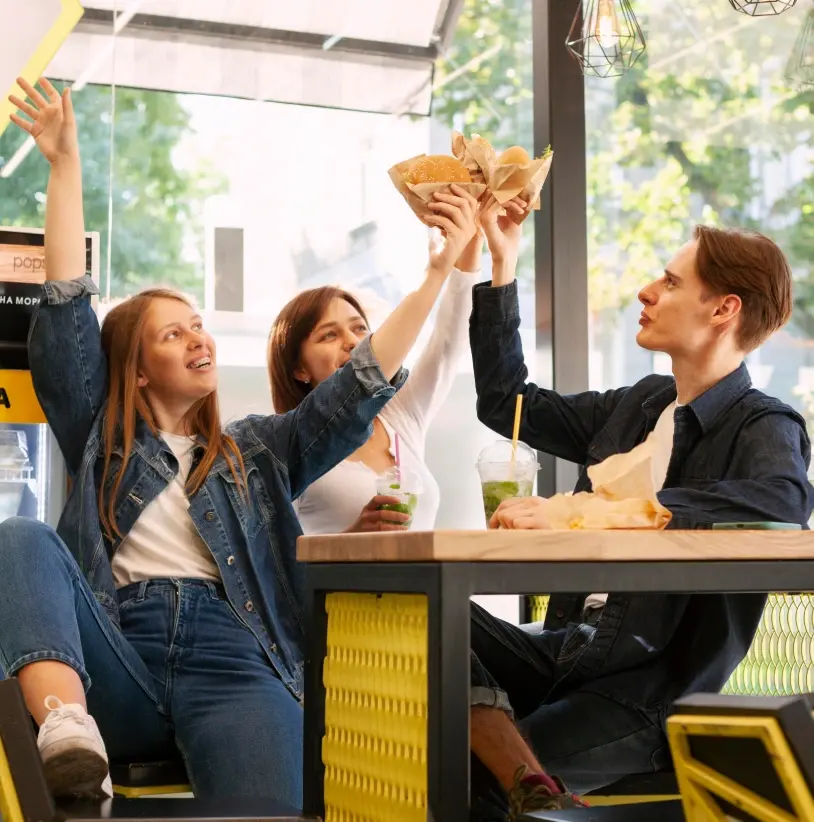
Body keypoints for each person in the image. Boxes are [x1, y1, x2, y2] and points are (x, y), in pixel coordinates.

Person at [0, 77, 478, 804]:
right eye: (172, 332)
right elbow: (67, 309)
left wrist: (441, 267)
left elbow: (361, 382)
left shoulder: (260, 449)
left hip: (233, 659)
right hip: (115, 655)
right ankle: (64, 723)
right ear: (134, 373)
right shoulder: (103, 433)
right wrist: (65, 167)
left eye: (198, 324)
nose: (198, 337)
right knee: (20, 538)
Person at [464, 194, 814, 820]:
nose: (645, 292)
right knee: (424, 618)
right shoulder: (642, 404)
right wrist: (503, 260)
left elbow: (783, 501)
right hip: (569, 649)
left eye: (671, 282)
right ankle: (516, 762)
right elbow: (507, 403)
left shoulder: (763, 424)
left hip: (649, 694)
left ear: (723, 309)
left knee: (471, 778)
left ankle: (517, 773)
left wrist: (588, 512)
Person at [269, 229, 483, 535]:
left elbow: (449, 344)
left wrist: (471, 243)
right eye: (329, 334)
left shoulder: (399, 416)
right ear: (299, 369)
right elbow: (279, 570)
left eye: (359, 329)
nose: (353, 343)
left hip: (424, 584)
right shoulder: (286, 449)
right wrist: (354, 537)